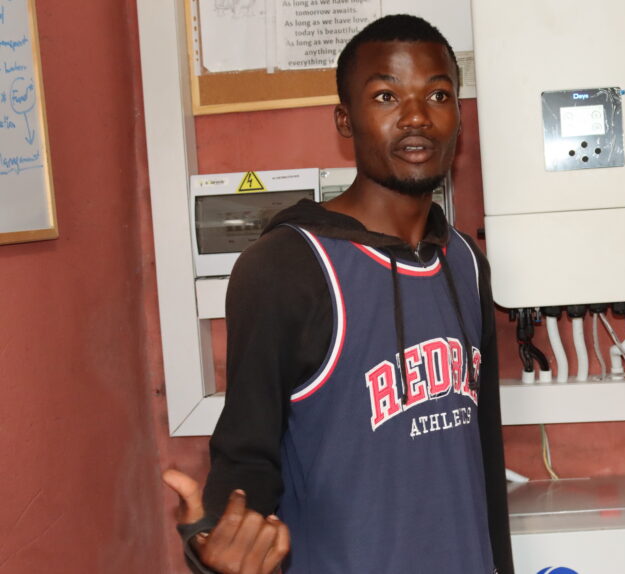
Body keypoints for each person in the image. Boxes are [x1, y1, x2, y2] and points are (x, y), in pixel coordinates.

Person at [162, 14, 513, 574]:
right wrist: (218, 544)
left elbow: (484, 463)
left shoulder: (467, 264)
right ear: (345, 120)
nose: (416, 116)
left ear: (459, 118)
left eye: (438, 94)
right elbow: (247, 456)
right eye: (385, 95)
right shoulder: (286, 267)